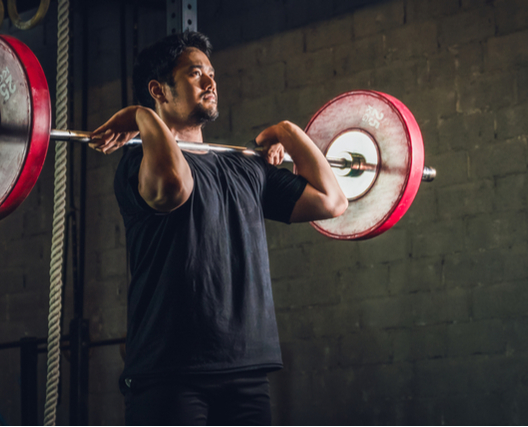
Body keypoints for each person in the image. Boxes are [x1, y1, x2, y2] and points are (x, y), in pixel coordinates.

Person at [89, 31, 347, 425]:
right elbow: (175, 187)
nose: (211, 82)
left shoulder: (244, 167)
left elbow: (332, 200)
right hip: (170, 374)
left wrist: (288, 133)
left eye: (211, 73)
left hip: (247, 370)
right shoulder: (138, 162)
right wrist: (140, 117)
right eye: (196, 74)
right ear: (158, 90)